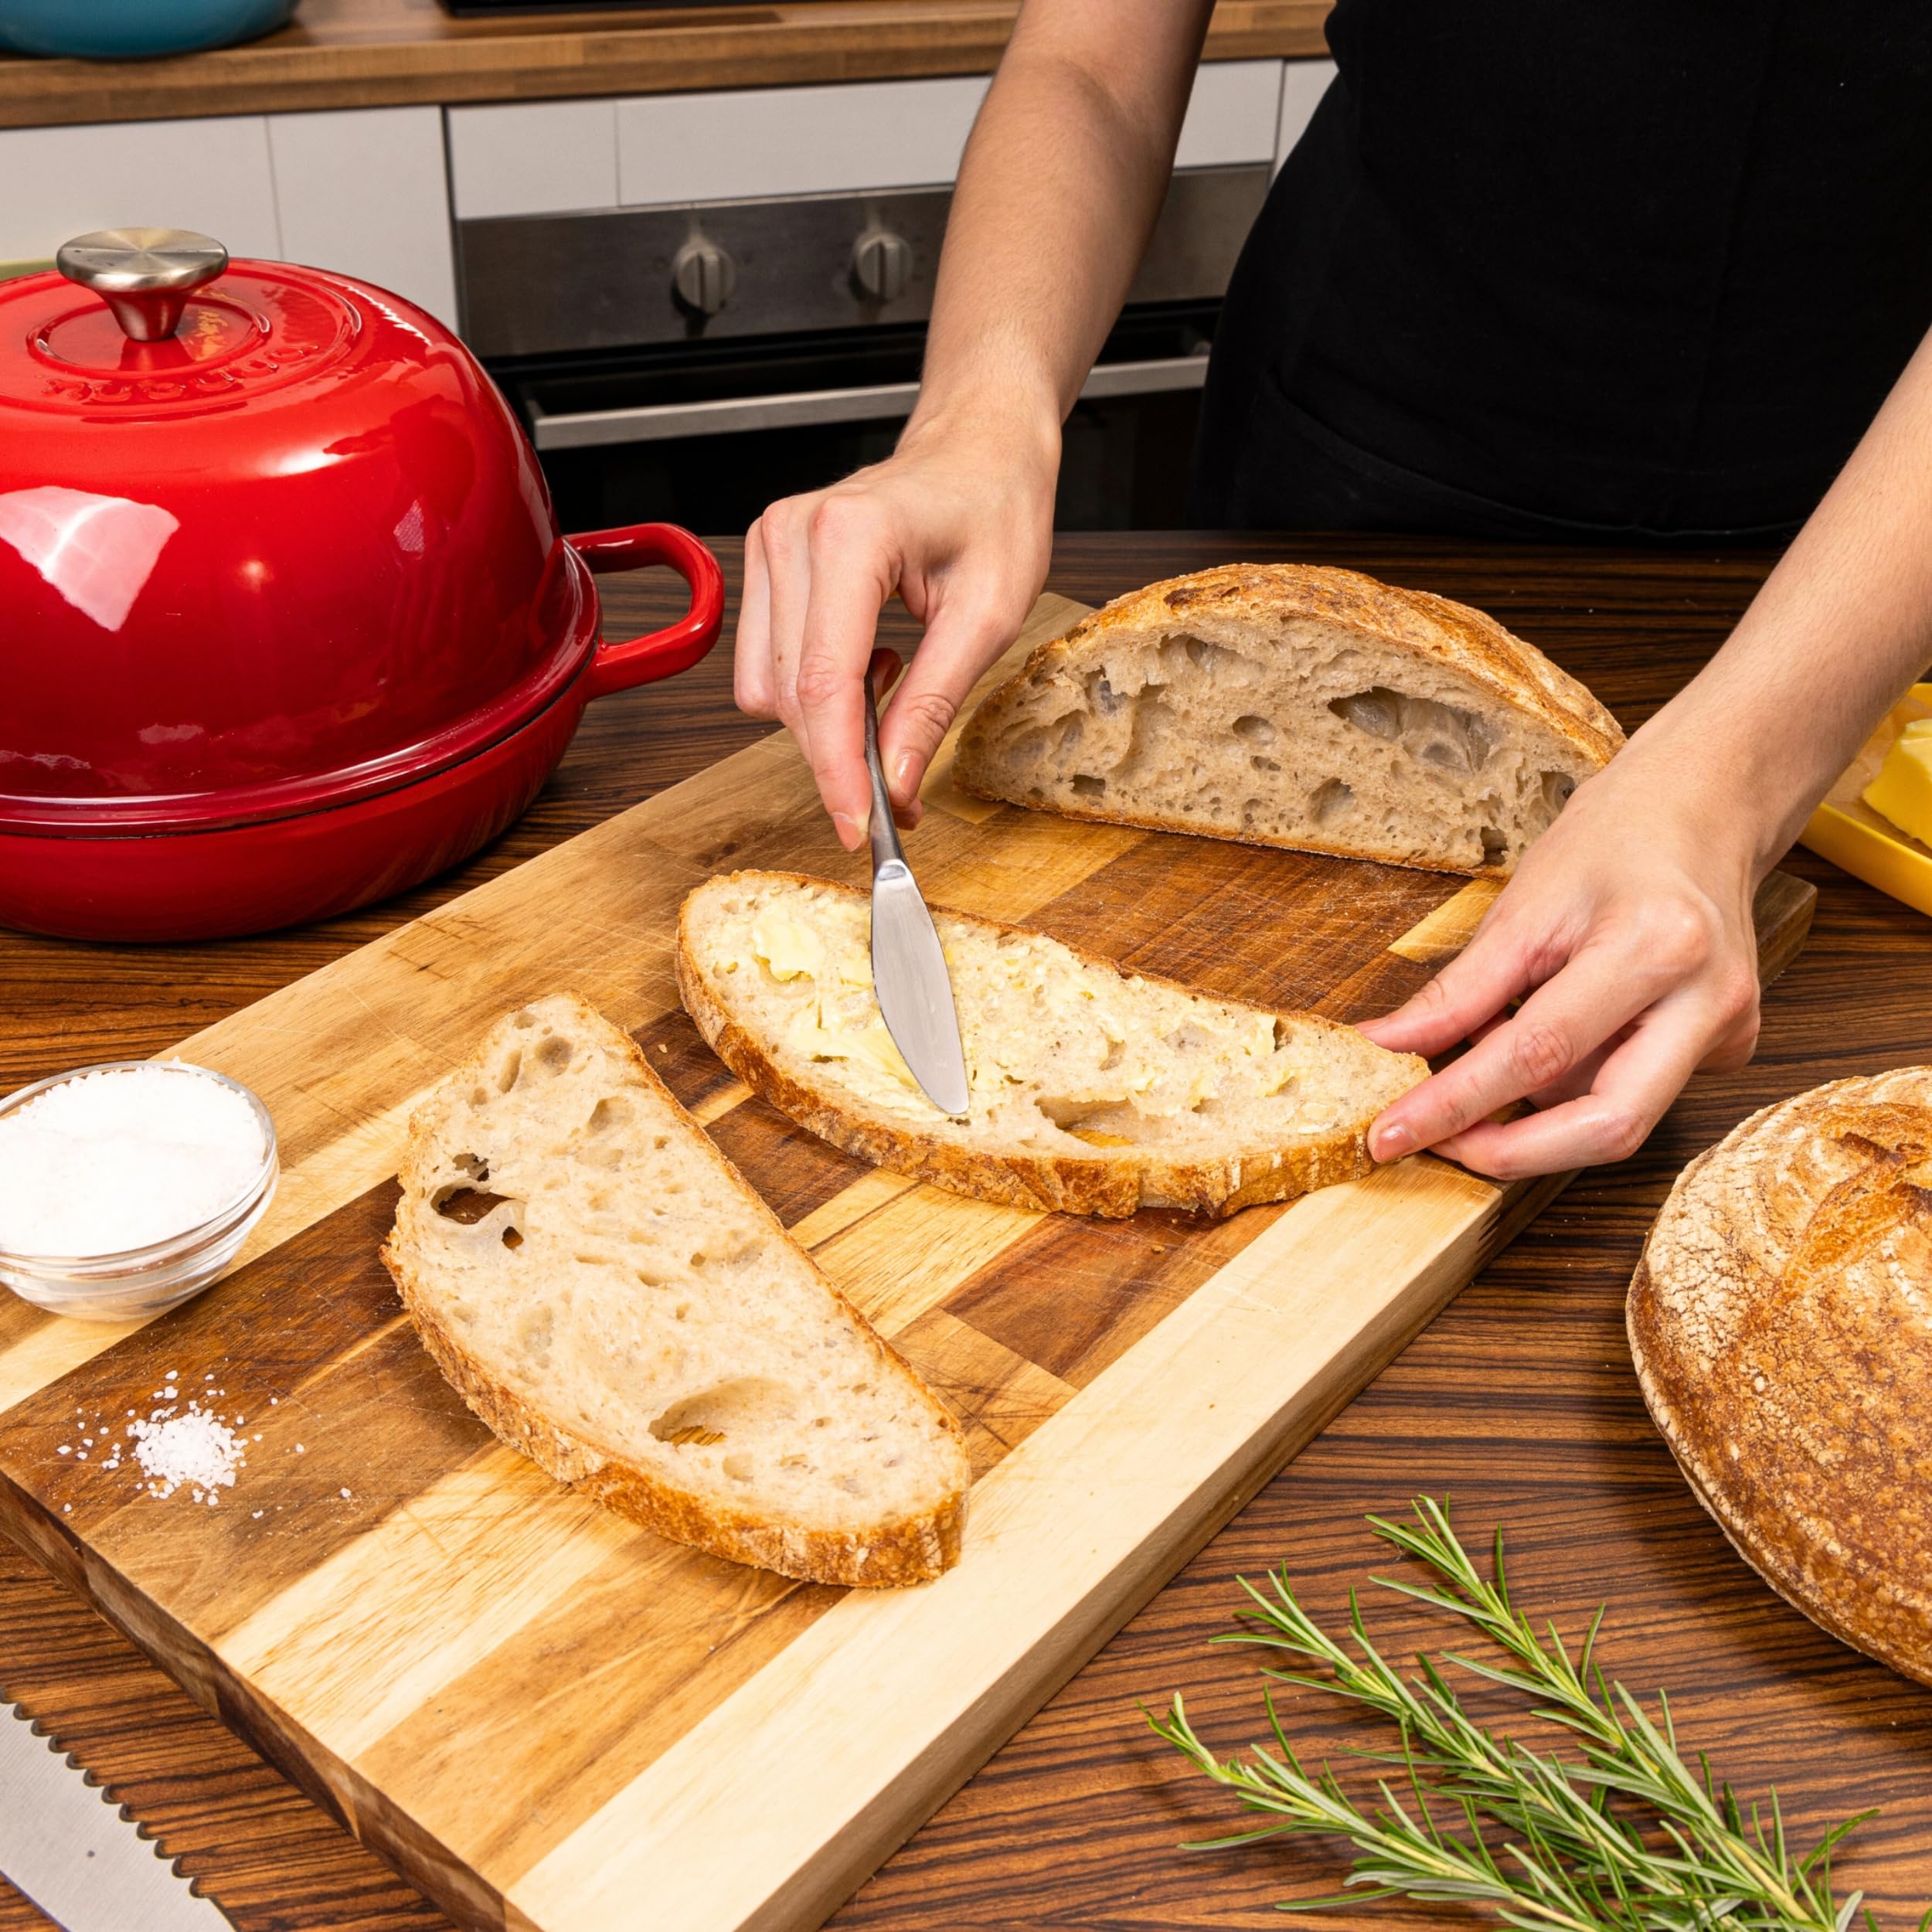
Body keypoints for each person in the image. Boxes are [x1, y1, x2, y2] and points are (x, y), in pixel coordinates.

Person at [732, 0, 1932, 1180]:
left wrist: (1727, 788)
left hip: (1859, 568)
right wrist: (979, 415)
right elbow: (1093, 59)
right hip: (1351, 426)